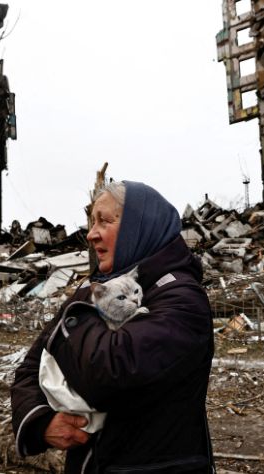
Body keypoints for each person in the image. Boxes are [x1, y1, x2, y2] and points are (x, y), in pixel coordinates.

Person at [11, 181, 215, 473]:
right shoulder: (99, 289)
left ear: (140, 227)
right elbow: (32, 367)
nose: (92, 234)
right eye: (92, 222)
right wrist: (40, 421)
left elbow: (112, 371)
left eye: (104, 221)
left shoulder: (181, 299)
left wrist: (74, 317)